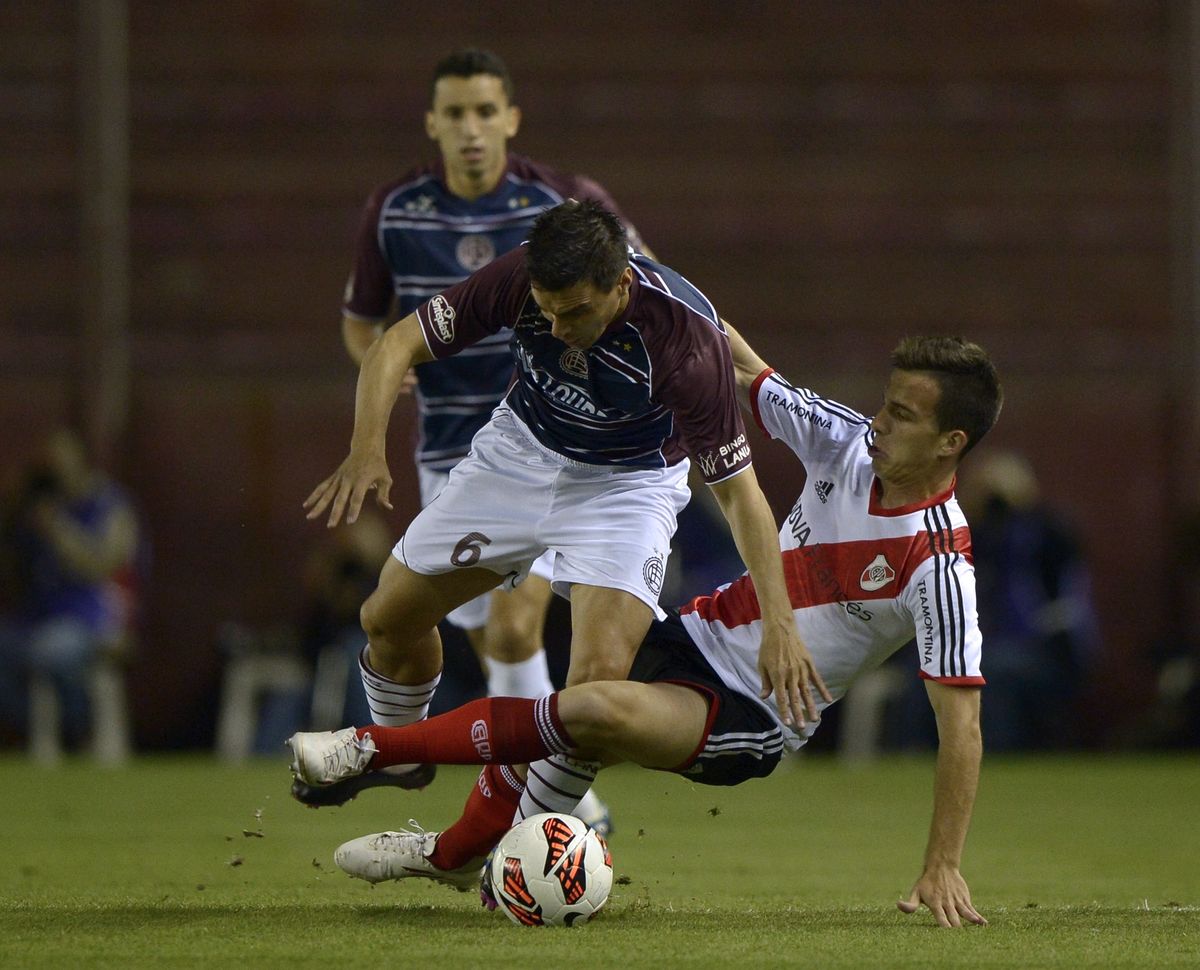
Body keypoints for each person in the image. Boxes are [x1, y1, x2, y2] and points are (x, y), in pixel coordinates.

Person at [290, 333, 1001, 929]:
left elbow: (961, 726)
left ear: (951, 442)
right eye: (885, 402)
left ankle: (370, 748)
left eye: (902, 415)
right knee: (577, 717)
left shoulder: (939, 566)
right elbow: (741, 365)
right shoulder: (845, 441)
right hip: (690, 639)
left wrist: (943, 863)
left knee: (591, 707)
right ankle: (453, 858)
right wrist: (648, 286)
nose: (879, 420)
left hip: (749, 716)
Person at [302, 199, 827, 858]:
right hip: (520, 453)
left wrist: (780, 623)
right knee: (387, 619)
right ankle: (401, 760)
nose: (556, 325)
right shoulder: (520, 279)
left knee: (596, 684)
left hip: (628, 487)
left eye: (576, 311)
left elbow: (743, 498)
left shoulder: (687, 346)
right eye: (547, 310)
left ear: (623, 284)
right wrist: (366, 446)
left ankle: (494, 849)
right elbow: (396, 343)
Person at [319, 49, 653, 825]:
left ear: (511, 118)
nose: (471, 129)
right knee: (458, 630)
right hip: (448, 454)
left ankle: (551, 806)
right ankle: (467, 770)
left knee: (513, 624)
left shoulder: (565, 203)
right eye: (455, 114)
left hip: (550, 445)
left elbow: (649, 283)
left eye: (484, 112)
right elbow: (364, 324)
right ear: (432, 123)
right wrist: (380, 371)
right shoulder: (394, 211)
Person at [0, 428, 140, 748]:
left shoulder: (109, 505)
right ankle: (37, 727)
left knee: (52, 652)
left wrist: (58, 531)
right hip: (34, 618)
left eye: (64, 461)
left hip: (86, 618)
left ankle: (80, 725)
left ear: (83, 462)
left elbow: (103, 567)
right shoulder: (35, 504)